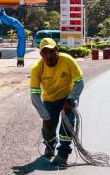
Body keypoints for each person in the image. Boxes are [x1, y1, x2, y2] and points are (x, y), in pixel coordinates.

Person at [30, 38, 85, 167]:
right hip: (50, 100)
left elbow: (79, 81)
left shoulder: (67, 60)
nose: (49, 56)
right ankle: (50, 145)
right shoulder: (37, 69)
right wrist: (45, 115)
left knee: (67, 123)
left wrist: (71, 100)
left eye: (51, 51)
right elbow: (34, 95)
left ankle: (63, 154)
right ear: (41, 54)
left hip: (68, 97)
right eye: (45, 52)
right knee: (48, 127)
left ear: (57, 50)